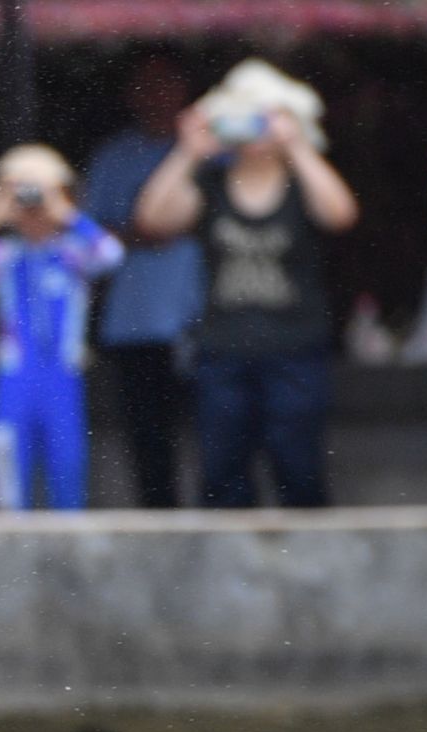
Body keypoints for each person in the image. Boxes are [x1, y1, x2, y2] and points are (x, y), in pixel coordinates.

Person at [134, 61, 359, 509]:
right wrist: (189, 151)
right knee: (221, 471)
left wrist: (296, 146)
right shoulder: (211, 183)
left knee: (298, 464)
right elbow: (152, 220)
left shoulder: (301, 184)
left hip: (295, 348)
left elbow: (340, 214)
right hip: (224, 349)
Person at [0, 145, 126, 512]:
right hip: (14, 376)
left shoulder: (72, 253)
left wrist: (64, 210)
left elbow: (112, 254)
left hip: (63, 375)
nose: (33, 205)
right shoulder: (3, 256)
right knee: (7, 475)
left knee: (68, 469)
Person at [81, 56, 203, 510]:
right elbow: (88, 238)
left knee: (217, 437)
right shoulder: (113, 156)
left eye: (166, 83)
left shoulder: (214, 154)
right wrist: (150, 230)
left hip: (202, 317)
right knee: (149, 442)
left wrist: (144, 231)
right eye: (146, 85)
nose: (156, 96)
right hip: (135, 321)